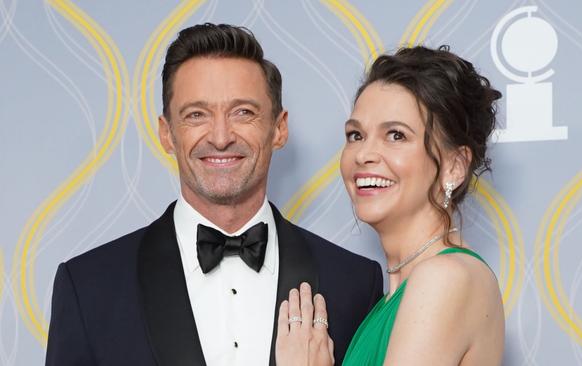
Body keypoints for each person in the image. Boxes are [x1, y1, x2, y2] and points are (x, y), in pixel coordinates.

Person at [45, 23, 383, 366]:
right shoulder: (88, 286)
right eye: (196, 115)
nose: (221, 137)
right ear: (166, 133)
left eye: (243, 113)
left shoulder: (355, 283)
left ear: (279, 128)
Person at [275, 45, 505, 365]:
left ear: (454, 165)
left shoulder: (444, 278)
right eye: (356, 135)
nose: (364, 154)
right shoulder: (394, 298)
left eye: (396, 135)